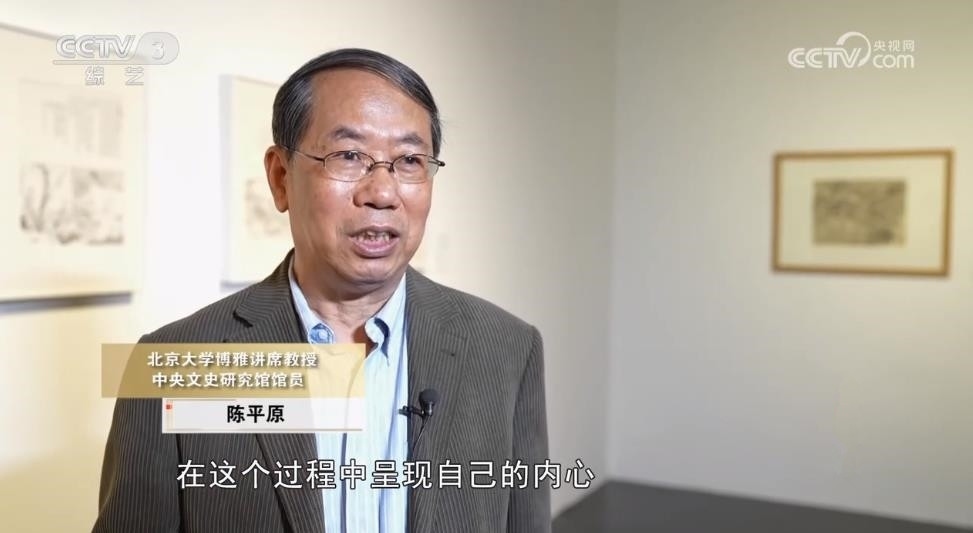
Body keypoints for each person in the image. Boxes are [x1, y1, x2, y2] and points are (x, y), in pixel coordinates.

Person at [94, 48, 550, 533]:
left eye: (409, 160)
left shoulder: (506, 349)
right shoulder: (177, 364)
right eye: (349, 156)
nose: (382, 193)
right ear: (280, 178)